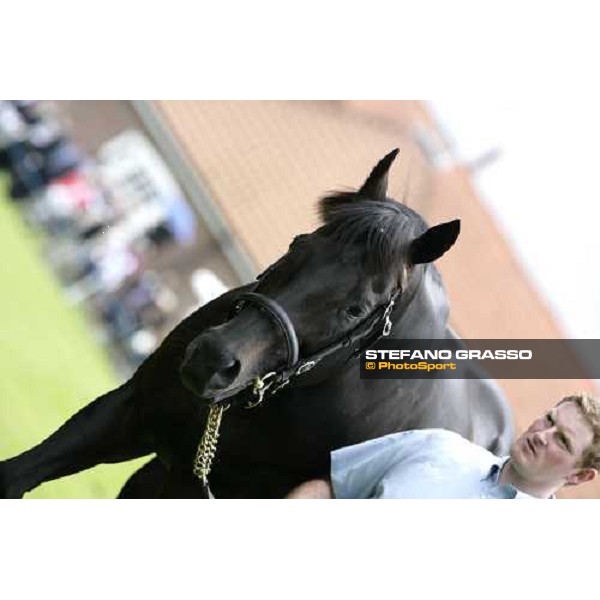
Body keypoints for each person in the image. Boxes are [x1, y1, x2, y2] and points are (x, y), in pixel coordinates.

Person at [286, 393, 600, 499]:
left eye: (562, 440)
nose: (542, 434)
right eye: (549, 419)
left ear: (579, 476)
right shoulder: (437, 445)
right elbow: (330, 489)